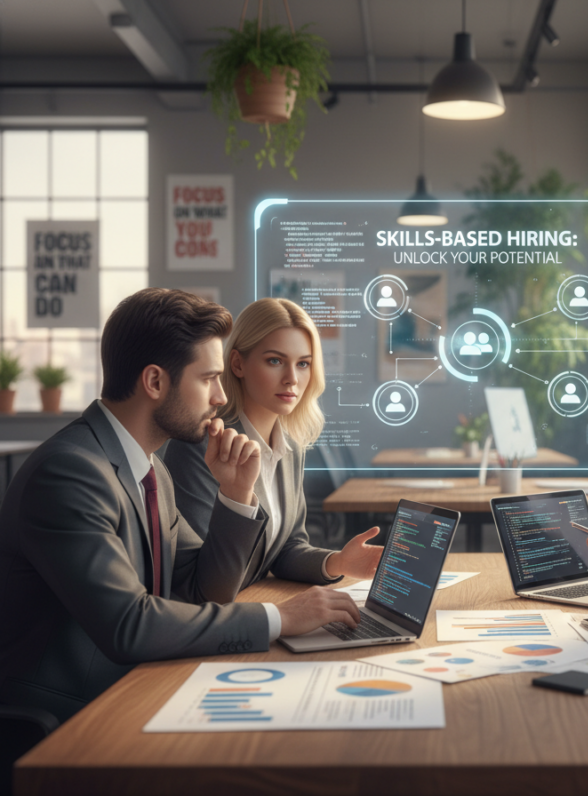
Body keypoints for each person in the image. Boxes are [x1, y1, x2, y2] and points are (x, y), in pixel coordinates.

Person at [0, 289, 361, 722]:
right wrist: (278, 618)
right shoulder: (70, 473)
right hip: (72, 716)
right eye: (208, 378)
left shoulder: (152, 472)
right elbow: (128, 626)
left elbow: (204, 590)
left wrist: (235, 494)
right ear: (155, 382)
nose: (221, 398)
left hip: (139, 684)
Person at [163, 298, 383, 592]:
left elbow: (287, 547)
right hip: (218, 620)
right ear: (238, 364)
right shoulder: (206, 444)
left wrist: (339, 562)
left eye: (303, 364)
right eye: (275, 361)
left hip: (258, 601)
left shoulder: (291, 444)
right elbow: (206, 579)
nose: (292, 379)